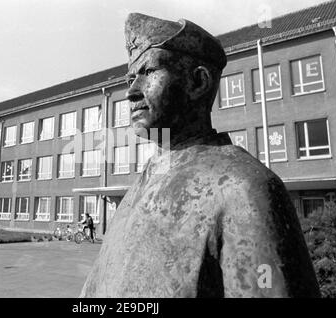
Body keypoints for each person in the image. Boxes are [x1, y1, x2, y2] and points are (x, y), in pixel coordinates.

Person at [80, 13, 320, 297]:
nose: (131, 92)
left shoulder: (243, 189)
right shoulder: (143, 184)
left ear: (198, 82)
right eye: (130, 78)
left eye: (147, 73)